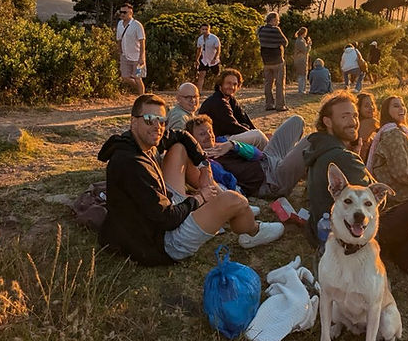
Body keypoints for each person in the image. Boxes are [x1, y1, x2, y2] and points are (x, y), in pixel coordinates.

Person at [97, 94, 285, 266]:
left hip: (161, 211)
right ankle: (251, 232)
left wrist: (204, 166)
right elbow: (167, 220)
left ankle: (226, 206)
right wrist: (199, 199)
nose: (157, 126)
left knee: (179, 147)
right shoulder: (132, 164)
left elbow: (182, 135)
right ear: (133, 122)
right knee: (234, 199)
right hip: (161, 242)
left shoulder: (141, 140)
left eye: (161, 120)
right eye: (149, 119)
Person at [303, 91, 375, 232]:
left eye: (355, 116)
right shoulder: (342, 157)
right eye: (344, 116)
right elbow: (376, 201)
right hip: (348, 233)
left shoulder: (318, 148)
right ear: (327, 122)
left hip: (319, 229)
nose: (353, 122)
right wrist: (357, 160)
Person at [187, 114, 306, 198]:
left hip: (268, 159)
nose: (209, 136)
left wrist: (233, 145)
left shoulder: (222, 142)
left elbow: (258, 154)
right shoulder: (205, 163)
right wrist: (208, 159)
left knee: (297, 121)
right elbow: (228, 183)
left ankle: (295, 166)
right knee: (310, 141)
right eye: (202, 134)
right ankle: (295, 168)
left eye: (210, 131)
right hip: (271, 180)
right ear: (193, 139)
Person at [198, 68, 269, 149]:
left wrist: (254, 131)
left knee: (262, 134)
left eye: (235, 84)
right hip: (216, 139)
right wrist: (252, 133)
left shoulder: (231, 100)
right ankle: (271, 157)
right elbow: (232, 127)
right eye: (228, 83)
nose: (231, 87)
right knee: (258, 136)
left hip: (228, 135)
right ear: (221, 84)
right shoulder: (217, 101)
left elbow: (244, 119)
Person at [257, 11, 289, 110]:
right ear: (273, 20)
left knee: (268, 84)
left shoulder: (261, 30)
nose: (278, 22)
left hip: (266, 61)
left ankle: (269, 104)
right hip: (277, 61)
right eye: (277, 20)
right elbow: (285, 42)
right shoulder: (276, 30)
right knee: (279, 84)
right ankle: (280, 105)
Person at [115, 3, 146, 95]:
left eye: (124, 12)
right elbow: (119, 39)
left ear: (131, 12)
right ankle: (141, 91)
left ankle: (141, 98)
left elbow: (142, 41)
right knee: (125, 77)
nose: (122, 14)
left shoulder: (137, 25)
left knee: (137, 77)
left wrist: (142, 57)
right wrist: (119, 51)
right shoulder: (120, 24)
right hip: (125, 56)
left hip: (137, 57)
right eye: (121, 12)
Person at [194, 23, 221, 90]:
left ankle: (219, 90)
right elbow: (199, 50)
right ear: (201, 30)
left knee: (217, 76)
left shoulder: (214, 38)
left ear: (209, 29)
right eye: (203, 29)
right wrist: (197, 59)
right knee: (201, 75)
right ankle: (198, 92)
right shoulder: (200, 39)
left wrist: (215, 58)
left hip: (213, 60)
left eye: (206, 29)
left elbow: (218, 49)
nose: (204, 31)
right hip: (204, 60)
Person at [357, 93, 380, 159]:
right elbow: (388, 130)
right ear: (359, 108)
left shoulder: (357, 123)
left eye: (372, 104)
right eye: (366, 106)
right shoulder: (371, 122)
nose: (371, 108)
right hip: (364, 158)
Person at [292, 27, 312, 95]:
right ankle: (301, 90)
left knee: (304, 74)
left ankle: (303, 89)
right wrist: (309, 44)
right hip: (301, 60)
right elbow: (305, 51)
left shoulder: (301, 40)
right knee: (302, 75)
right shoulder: (300, 41)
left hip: (302, 60)